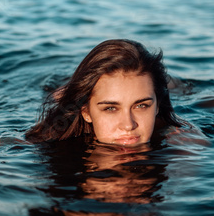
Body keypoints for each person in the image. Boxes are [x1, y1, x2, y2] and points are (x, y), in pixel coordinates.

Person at [25, 39, 201, 146]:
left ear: (156, 106)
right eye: (110, 108)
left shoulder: (179, 138)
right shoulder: (52, 138)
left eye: (141, 105)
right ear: (86, 112)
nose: (128, 126)